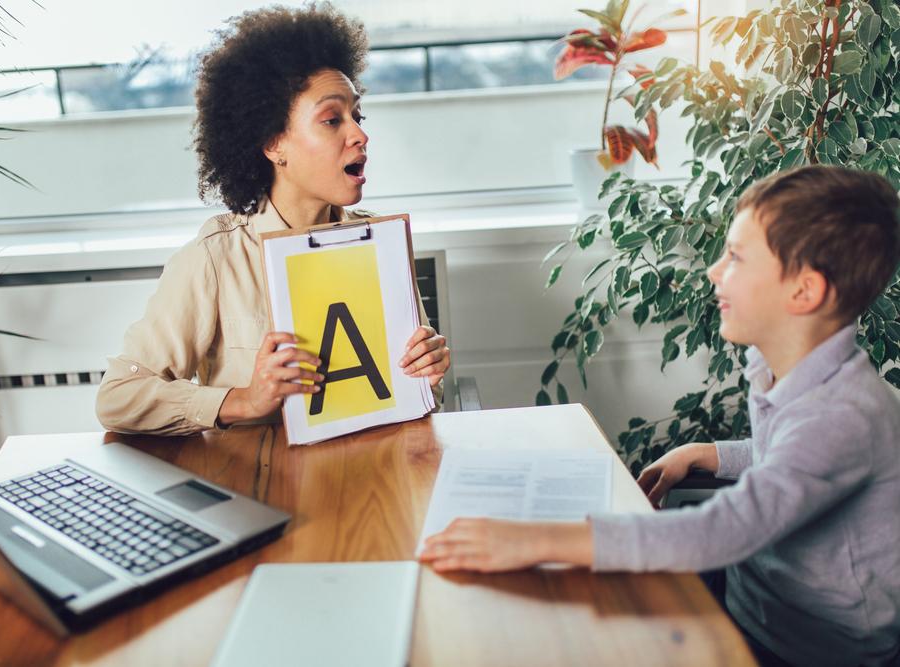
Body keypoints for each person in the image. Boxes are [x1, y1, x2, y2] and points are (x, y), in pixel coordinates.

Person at [420, 165, 900, 667]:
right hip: (753, 597)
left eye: (735, 257)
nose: (714, 271)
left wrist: (533, 540)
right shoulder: (792, 373)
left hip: (806, 646)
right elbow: (793, 462)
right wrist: (709, 453)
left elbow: (728, 528)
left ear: (804, 292)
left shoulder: (844, 414)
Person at [96, 4, 449, 435]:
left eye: (357, 115)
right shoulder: (216, 259)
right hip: (263, 488)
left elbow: (421, 393)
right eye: (332, 119)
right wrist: (241, 400)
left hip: (376, 478)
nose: (359, 134)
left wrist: (429, 372)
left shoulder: (382, 242)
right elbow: (118, 397)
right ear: (273, 143)